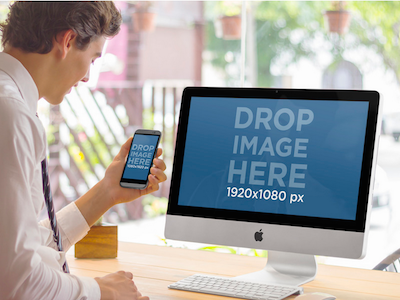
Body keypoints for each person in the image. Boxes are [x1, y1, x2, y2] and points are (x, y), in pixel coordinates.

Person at [0, 2, 167, 299]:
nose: (88, 76)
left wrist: (106, 192)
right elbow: (18, 281)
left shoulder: (12, 104)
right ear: (67, 41)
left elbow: (23, 249)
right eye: (92, 58)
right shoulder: (10, 115)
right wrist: (102, 291)